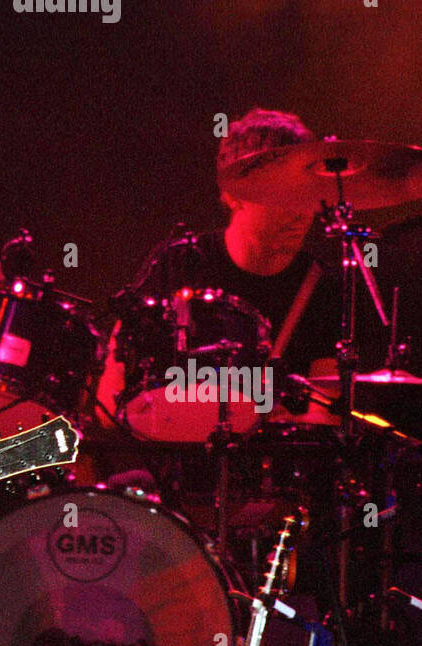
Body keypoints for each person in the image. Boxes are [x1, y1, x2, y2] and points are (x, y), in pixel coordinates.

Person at [96, 107, 343, 432]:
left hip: (269, 474)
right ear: (235, 194)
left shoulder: (319, 286)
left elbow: (325, 413)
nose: (301, 211)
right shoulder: (180, 264)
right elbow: (110, 397)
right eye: (283, 193)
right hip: (177, 464)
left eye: (305, 192)